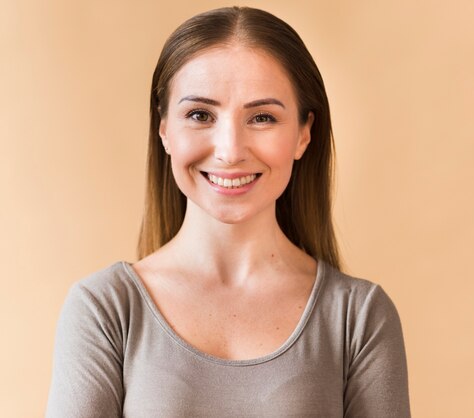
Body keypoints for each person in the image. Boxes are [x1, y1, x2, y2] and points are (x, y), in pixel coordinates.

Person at [46, 6, 410, 417]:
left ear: (304, 134)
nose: (230, 150)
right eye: (200, 115)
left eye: (262, 117)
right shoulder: (105, 310)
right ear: (164, 128)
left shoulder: (359, 317)